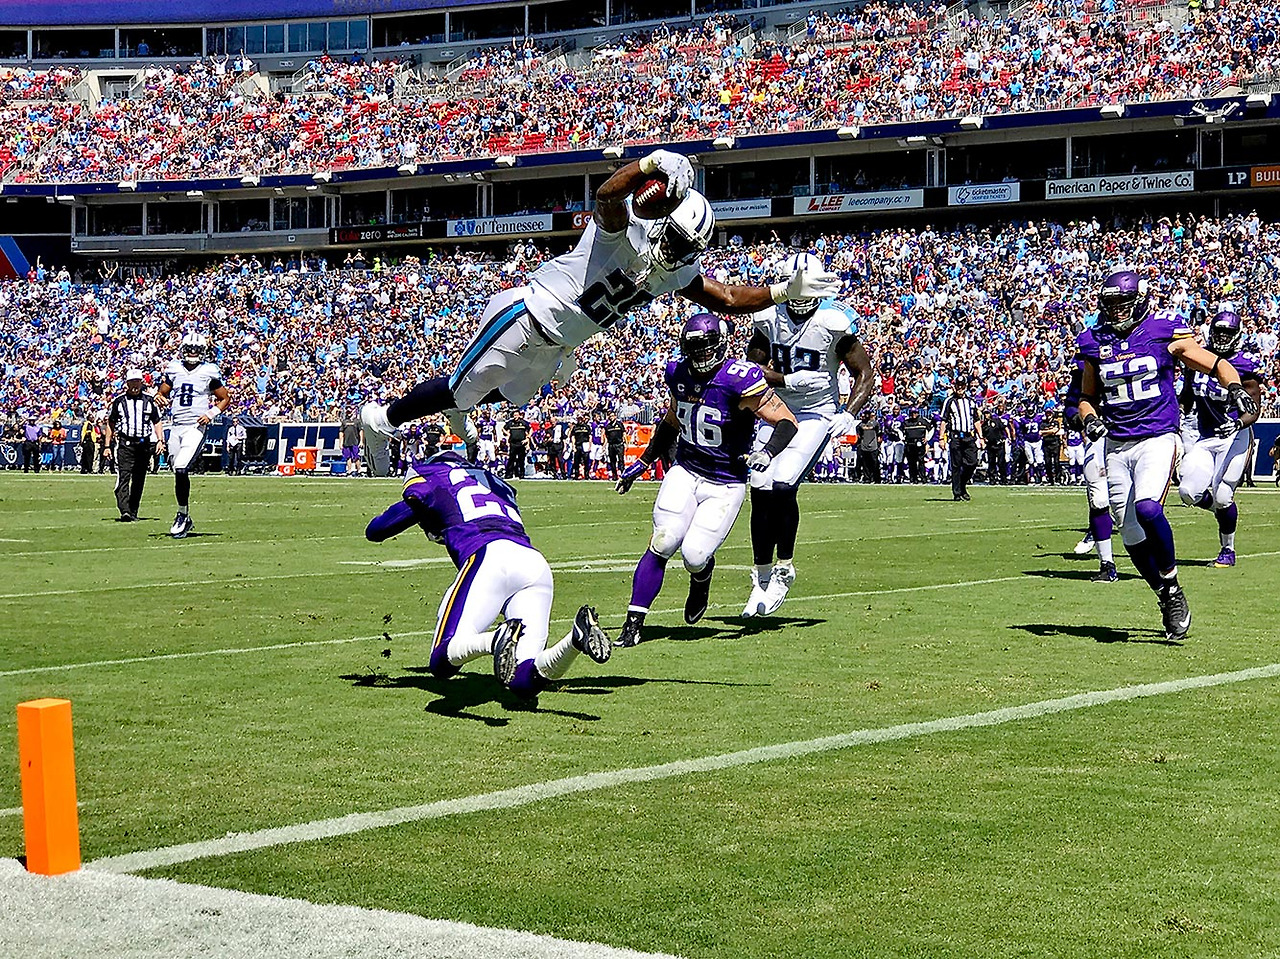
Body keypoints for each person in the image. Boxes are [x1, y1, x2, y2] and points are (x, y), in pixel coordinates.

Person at [360, 148, 838, 473]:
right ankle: (381, 418)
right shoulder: (621, 232)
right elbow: (609, 195)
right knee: (460, 391)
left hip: (559, 343)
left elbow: (727, 299)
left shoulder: (672, 269)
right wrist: (648, 162)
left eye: (687, 245)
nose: (677, 250)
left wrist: (779, 290)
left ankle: (455, 407)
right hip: (527, 314)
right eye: (674, 237)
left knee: (509, 398)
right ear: (661, 222)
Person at [1076, 271, 1257, 642]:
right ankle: (1166, 595)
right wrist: (1090, 420)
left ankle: (1172, 581)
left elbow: (1215, 363)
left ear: (1140, 300)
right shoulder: (1094, 341)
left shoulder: (1163, 331)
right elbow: (1086, 396)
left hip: (1158, 437)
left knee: (1147, 508)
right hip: (1117, 444)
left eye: (1122, 304)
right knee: (1129, 534)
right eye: (1109, 304)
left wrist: (1235, 388)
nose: (1115, 311)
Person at [364, 451, 611, 702]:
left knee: (441, 660)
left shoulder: (435, 478)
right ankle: (575, 640)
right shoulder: (493, 483)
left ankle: (495, 640)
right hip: (534, 563)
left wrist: (420, 513)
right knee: (522, 682)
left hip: (488, 557)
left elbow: (376, 531)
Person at [614, 314, 800, 647]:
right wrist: (642, 463)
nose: (700, 354)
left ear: (721, 344)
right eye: (694, 347)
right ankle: (633, 621)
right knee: (664, 540)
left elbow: (786, 421)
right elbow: (671, 422)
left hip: (725, 483)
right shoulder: (678, 373)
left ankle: (701, 576)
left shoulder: (740, 378)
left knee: (695, 555)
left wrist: (768, 453)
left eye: (706, 346)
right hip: (686, 470)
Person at [741, 252, 874, 617]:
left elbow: (864, 374)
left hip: (817, 412)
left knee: (782, 483)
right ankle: (761, 575)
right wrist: (784, 380)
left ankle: (784, 567)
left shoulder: (833, 320)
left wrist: (849, 414)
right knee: (759, 484)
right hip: (776, 409)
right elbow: (751, 371)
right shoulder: (768, 317)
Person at [1176, 309, 1264, 567]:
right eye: (1219, 331)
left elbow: (1253, 409)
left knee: (1225, 495)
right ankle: (1221, 510)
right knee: (1188, 492)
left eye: (1228, 332)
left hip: (1234, 437)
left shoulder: (1245, 365)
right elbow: (1187, 397)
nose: (1222, 337)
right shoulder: (1199, 359)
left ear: (1237, 335)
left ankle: (1228, 549)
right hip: (1205, 435)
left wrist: (1237, 422)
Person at [156, 333, 231, 538]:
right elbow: (163, 391)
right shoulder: (174, 368)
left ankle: (182, 515)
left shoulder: (208, 371)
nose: (193, 352)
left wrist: (211, 413)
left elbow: (224, 398)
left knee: (181, 467)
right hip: (176, 425)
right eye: (190, 348)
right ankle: (185, 516)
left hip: (195, 427)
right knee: (176, 469)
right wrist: (159, 396)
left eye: (196, 349)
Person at [1064, 359, 1118, 582]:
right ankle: (1107, 563)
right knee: (1098, 499)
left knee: (1136, 503)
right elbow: (1070, 406)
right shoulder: (1085, 369)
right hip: (1098, 439)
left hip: (1132, 436)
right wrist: (1082, 420)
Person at [105, 368, 165, 522]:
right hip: (125, 444)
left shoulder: (149, 401)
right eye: (132, 382)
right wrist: (107, 445)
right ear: (127, 383)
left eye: (137, 381)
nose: (135, 385)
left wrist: (160, 440)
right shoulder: (119, 402)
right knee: (124, 476)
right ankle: (124, 510)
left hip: (143, 445)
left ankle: (133, 511)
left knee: (139, 479)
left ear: (142, 383)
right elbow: (111, 423)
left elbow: (157, 421)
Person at [941, 378, 979, 501]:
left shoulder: (971, 402)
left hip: (969, 436)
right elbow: (944, 420)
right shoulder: (950, 401)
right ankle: (957, 493)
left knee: (972, 462)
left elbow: (976, 420)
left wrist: (981, 436)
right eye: (958, 385)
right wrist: (941, 437)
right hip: (956, 436)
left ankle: (962, 484)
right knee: (956, 465)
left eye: (962, 385)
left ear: (966, 386)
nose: (960, 388)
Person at [981, 402, 1008, 484]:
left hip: (999, 444)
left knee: (1001, 462)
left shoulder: (996, 420)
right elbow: (983, 434)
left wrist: (1007, 437)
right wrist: (984, 439)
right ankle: (992, 479)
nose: (986, 415)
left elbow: (1004, 428)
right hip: (990, 445)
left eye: (987, 413)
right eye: (985, 414)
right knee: (991, 462)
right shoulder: (984, 425)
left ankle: (1003, 479)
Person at [903, 407, 928, 483]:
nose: (914, 415)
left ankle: (923, 478)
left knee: (921, 461)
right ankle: (913, 478)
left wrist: (927, 438)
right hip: (910, 443)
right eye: (912, 413)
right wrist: (902, 437)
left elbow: (931, 429)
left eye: (915, 413)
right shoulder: (906, 422)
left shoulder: (923, 421)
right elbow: (900, 430)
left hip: (920, 443)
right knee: (911, 462)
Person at [503, 409, 529, 479]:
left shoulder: (523, 423)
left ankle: (521, 474)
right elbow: (503, 428)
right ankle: (509, 474)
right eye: (514, 415)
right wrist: (508, 434)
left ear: (519, 415)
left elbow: (530, 429)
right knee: (511, 459)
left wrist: (527, 438)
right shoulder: (510, 423)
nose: (515, 417)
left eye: (516, 415)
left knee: (521, 460)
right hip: (513, 443)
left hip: (521, 443)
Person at [603, 411, 627, 481]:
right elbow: (606, 437)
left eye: (612, 416)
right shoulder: (608, 426)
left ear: (615, 416)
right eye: (610, 416)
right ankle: (614, 475)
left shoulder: (619, 424)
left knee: (621, 460)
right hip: (611, 445)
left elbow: (624, 433)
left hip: (619, 444)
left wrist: (626, 442)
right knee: (612, 461)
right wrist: (604, 445)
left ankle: (623, 474)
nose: (611, 417)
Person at [571, 414, 592, 479]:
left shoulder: (587, 427)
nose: (579, 420)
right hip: (578, 445)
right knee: (576, 461)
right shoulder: (575, 427)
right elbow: (573, 437)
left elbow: (590, 436)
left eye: (580, 419)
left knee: (586, 461)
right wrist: (573, 446)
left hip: (585, 444)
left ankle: (587, 475)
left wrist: (590, 446)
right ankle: (576, 475)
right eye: (578, 419)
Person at [340, 411, 361, 475]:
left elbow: (361, 431)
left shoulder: (357, 421)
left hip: (355, 442)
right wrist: (340, 442)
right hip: (346, 442)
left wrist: (361, 441)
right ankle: (349, 471)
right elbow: (341, 432)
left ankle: (359, 470)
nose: (348, 413)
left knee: (356, 457)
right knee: (348, 457)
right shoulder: (344, 422)